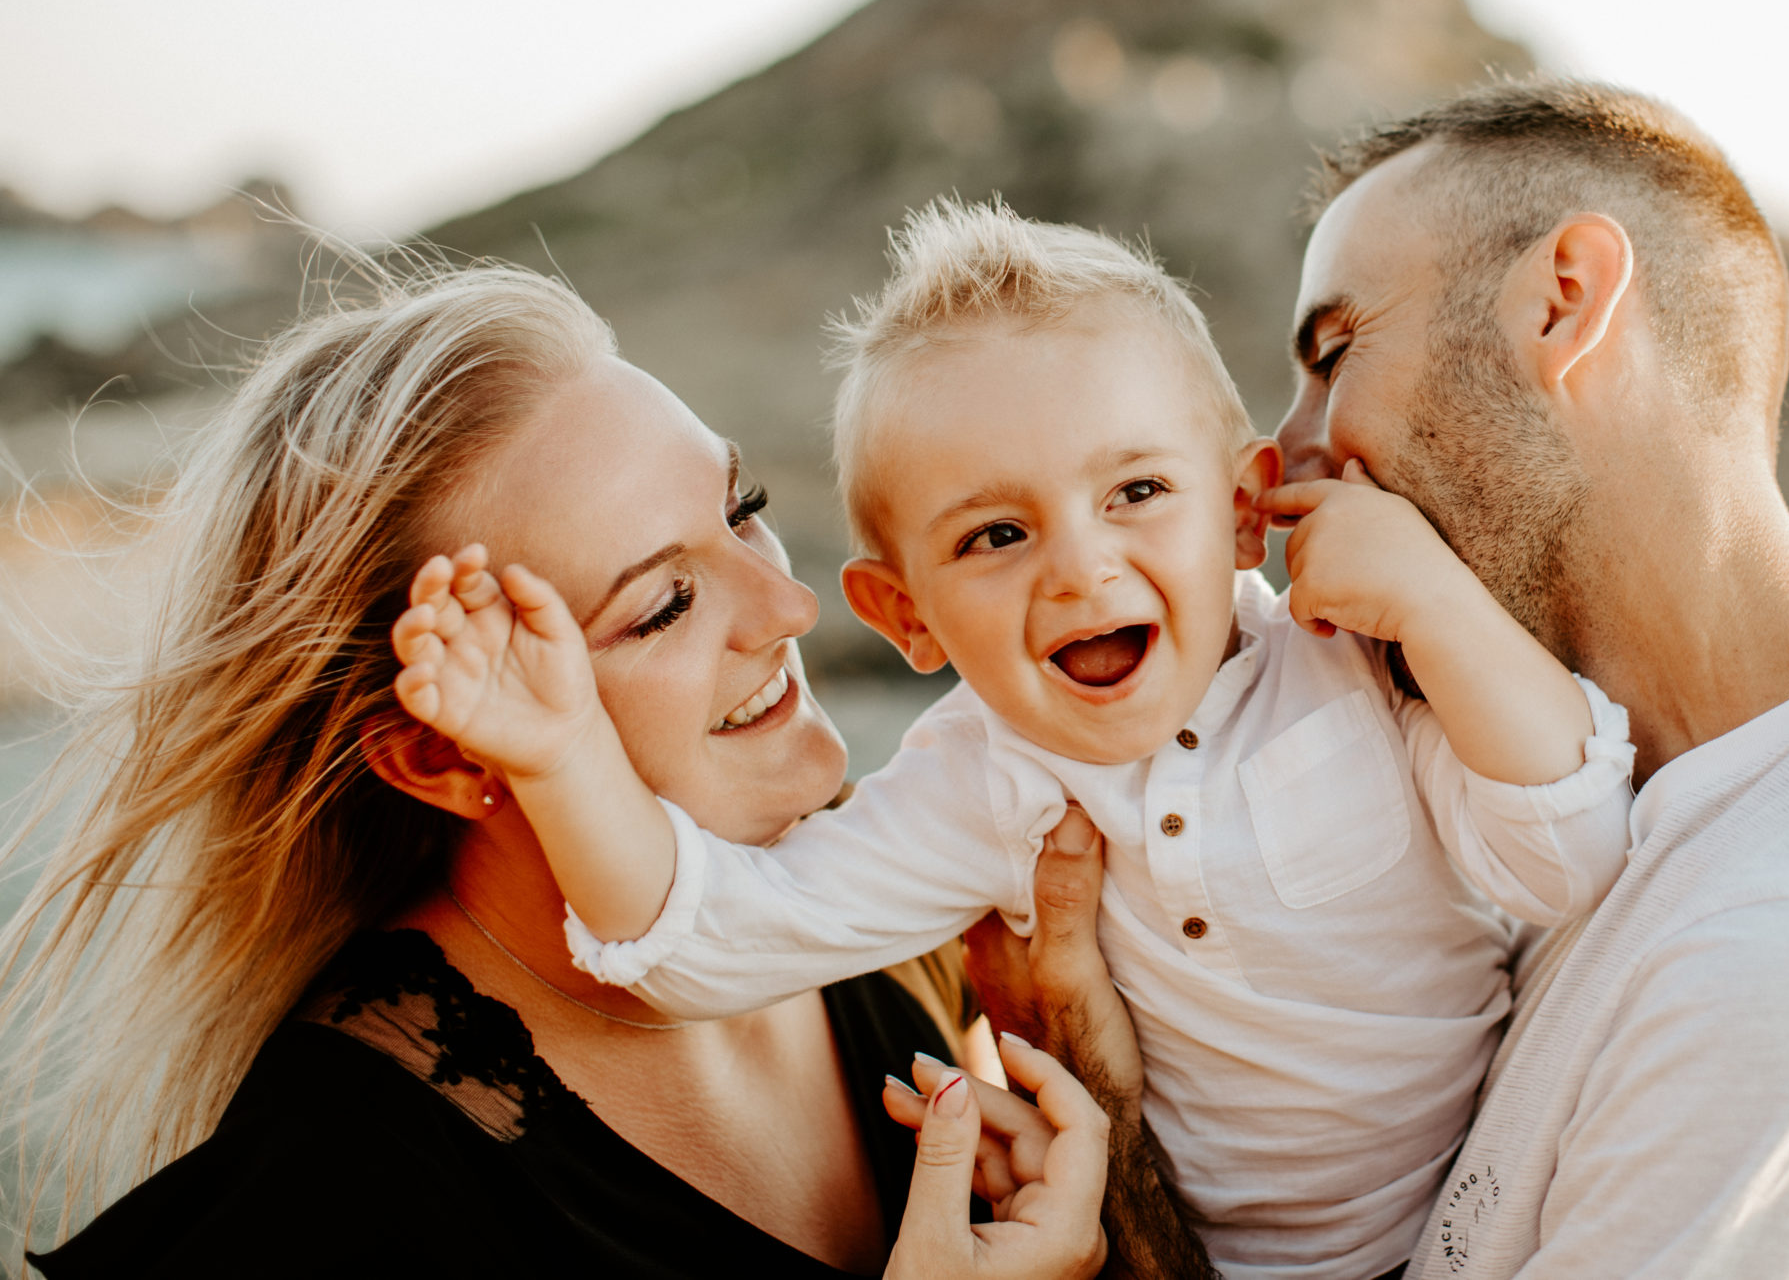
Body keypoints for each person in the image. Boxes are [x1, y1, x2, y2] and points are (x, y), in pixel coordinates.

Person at [387, 200, 1637, 1280]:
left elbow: (1569, 860)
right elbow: (713, 939)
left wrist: (1439, 606)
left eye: (1137, 493)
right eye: (995, 536)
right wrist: (558, 756)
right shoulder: (979, 786)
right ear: (904, 615)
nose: (1082, 569)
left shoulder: (1350, 659)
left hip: (1532, 1210)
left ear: (1245, 509)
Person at [998, 78, 1789, 1278]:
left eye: (1335, 351)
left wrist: (1107, 1136)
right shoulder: (1575, 815)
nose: (1285, 451)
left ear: (1564, 304)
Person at [0, 263, 1108, 1280]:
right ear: (438, 756)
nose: (790, 606)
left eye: (742, 512)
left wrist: (1086, 1060)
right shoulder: (327, 1213)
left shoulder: (891, 916)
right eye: (662, 605)